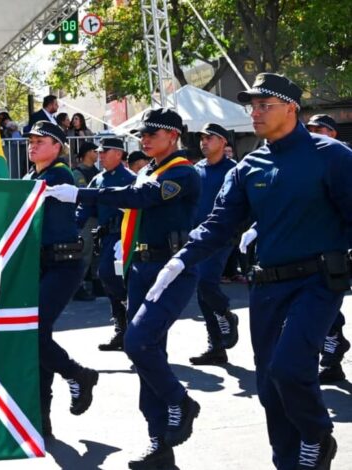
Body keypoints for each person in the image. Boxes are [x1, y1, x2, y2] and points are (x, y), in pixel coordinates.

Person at [147, 73, 351, 470]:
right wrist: (181, 259)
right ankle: (288, 461)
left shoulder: (333, 156)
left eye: (264, 106)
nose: (254, 113)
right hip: (267, 285)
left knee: (290, 368)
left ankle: (316, 434)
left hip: (318, 282)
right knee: (269, 385)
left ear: (290, 108)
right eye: (251, 107)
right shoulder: (249, 166)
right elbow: (219, 223)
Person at [46, 108, 202, 469]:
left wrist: (80, 194)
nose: (144, 139)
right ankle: (159, 443)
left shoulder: (181, 172)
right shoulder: (148, 169)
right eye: (142, 134)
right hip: (143, 266)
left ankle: (181, 401)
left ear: (173, 137)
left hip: (172, 267)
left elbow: (141, 198)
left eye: (153, 133)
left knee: (138, 343)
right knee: (148, 354)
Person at [26, 121, 99, 440]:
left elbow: (30, 199)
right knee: (36, 338)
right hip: (39, 266)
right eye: (30, 140)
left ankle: (78, 375)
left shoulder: (59, 174)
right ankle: (43, 420)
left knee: (35, 332)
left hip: (64, 264)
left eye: (41, 141)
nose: (33, 145)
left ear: (57, 147)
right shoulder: (32, 177)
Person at [77, 138, 136, 351]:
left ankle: (131, 322)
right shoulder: (98, 179)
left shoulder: (131, 179)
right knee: (108, 279)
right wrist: (74, 229)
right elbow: (85, 208)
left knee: (112, 276)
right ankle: (122, 328)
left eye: (105, 152)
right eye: (99, 152)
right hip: (106, 237)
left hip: (124, 237)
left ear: (119, 154)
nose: (100, 155)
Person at [305, 113, 351, 383]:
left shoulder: (341, 157)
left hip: (337, 243)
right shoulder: (308, 159)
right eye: (309, 128)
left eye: (319, 129)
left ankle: (332, 347)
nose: (313, 132)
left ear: (332, 132)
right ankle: (333, 348)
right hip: (314, 242)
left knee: (323, 296)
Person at [188, 123, 239, 366]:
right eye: (202, 138)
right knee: (201, 289)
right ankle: (216, 346)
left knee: (207, 282)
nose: (204, 142)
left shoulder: (235, 170)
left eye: (210, 138)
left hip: (221, 237)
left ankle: (225, 313)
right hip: (197, 237)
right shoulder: (196, 170)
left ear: (223, 142)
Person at [72, 141, 100, 301]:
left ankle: (96, 283)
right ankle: (77, 286)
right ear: (87, 153)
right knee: (84, 251)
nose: (98, 154)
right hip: (85, 218)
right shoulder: (78, 173)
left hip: (95, 216)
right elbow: (83, 194)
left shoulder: (95, 172)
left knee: (95, 252)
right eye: (95, 151)